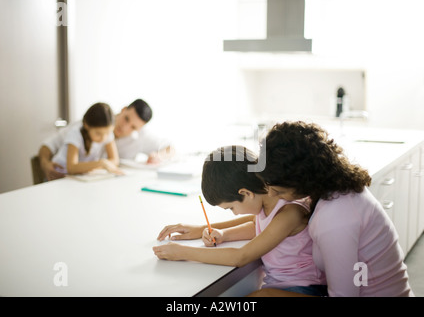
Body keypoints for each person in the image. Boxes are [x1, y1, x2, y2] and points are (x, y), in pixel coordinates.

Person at [249, 120, 414, 297]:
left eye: (279, 191)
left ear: (302, 180)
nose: (272, 195)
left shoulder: (335, 217)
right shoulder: (341, 191)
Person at [153, 146, 328, 296]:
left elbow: (240, 257)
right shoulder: (268, 204)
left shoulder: (289, 213)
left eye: (231, 208)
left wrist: (183, 253)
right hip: (279, 284)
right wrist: (215, 232)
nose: (234, 214)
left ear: (246, 193)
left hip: (305, 289)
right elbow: (256, 225)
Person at [39, 98, 173, 180]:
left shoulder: (136, 136)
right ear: (123, 109)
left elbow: (169, 147)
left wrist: (159, 156)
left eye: (133, 127)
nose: (125, 128)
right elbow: (49, 147)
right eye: (126, 119)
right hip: (62, 179)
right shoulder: (82, 127)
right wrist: (44, 163)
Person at [51, 102, 122, 175]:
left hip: (78, 176)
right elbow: (71, 168)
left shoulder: (107, 134)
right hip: (58, 173)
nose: (103, 138)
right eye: (98, 133)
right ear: (86, 125)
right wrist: (101, 163)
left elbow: (115, 160)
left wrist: (102, 164)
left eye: (107, 133)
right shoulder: (75, 133)